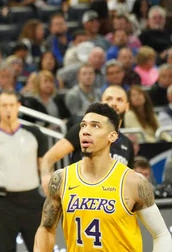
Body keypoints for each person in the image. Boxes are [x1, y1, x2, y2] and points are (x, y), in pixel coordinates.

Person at [34, 103, 172, 251]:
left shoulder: (133, 182)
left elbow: (161, 234)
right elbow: (46, 229)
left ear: (112, 136)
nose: (86, 131)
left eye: (95, 126)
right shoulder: (61, 179)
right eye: (83, 126)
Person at [0, 91, 46, 251]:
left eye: (12, 105)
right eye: (4, 105)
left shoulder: (35, 133)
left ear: (18, 106)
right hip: (2, 204)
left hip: (32, 201)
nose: (8, 109)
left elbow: (45, 170)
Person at [40, 86, 135, 193]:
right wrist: (46, 179)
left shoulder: (127, 144)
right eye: (109, 99)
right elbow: (48, 158)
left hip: (111, 202)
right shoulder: (83, 131)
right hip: (79, 197)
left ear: (127, 106)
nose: (113, 103)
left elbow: (129, 179)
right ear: (101, 103)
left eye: (119, 100)